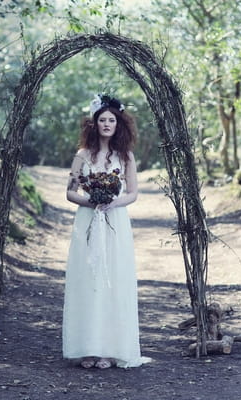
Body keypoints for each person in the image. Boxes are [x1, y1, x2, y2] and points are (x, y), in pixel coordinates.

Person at [62, 94, 151, 369]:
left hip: (115, 222)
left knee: (113, 279)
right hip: (88, 220)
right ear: (95, 123)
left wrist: (111, 202)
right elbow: (69, 192)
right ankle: (87, 347)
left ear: (118, 123)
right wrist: (93, 202)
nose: (107, 124)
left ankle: (109, 350)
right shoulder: (82, 156)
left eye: (112, 120)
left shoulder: (126, 156)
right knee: (87, 280)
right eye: (103, 120)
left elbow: (134, 193)